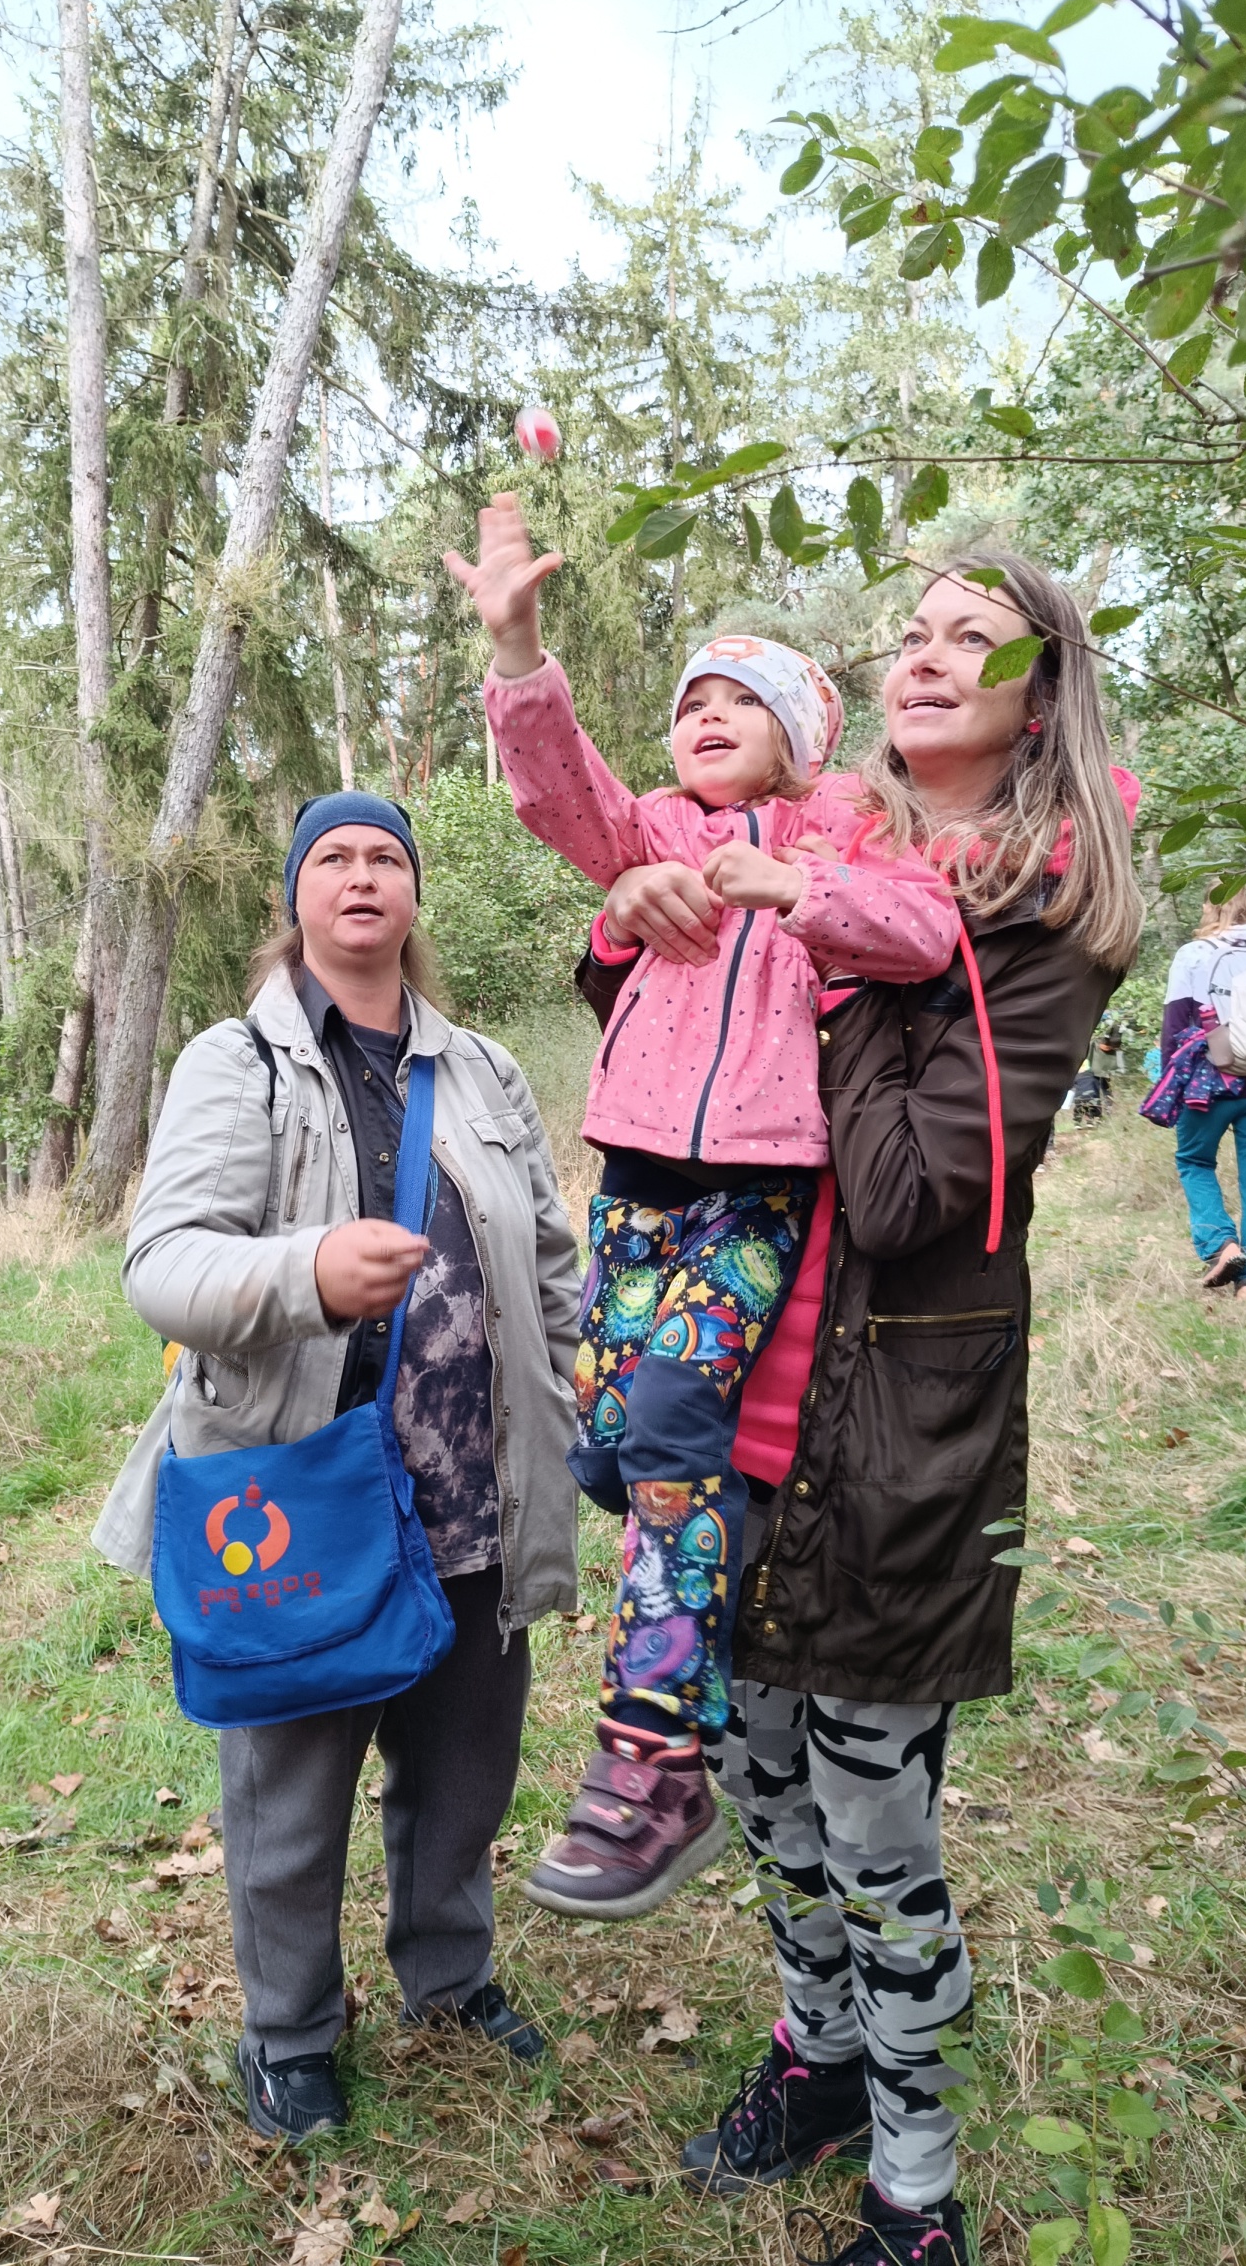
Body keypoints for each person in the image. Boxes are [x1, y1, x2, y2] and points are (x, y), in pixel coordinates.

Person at [591, 552, 1142, 2266]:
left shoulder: (1033, 914)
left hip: (898, 1422)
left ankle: (916, 2177)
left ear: (1034, 691)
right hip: (740, 1408)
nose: (920, 657)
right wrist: (655, 916)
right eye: (906, 631)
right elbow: (636, 1014)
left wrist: (804, 969)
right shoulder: (818, 839)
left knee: (873, 1814)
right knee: (755, 1778)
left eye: (964, 637)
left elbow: (921, 1187)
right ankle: (814, 2054)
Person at [444, 493, 960, 1920]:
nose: (708, 716)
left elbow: (921, 930)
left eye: (744, 699)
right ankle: (700, 1550)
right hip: (629, 1182)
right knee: (620, 1450)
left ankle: (654, 1749)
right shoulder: (648, 836)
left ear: (801, 733)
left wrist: (795, 888)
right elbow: (558, 789)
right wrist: (516, 648)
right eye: (691, 702)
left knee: (671, 1431)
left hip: (752, 1186)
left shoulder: (842, 828)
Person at [91, 793, 581, 2141]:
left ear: (413, 897)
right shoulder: (235, 1062)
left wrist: (595, 1365)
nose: (361, 877)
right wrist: (302, 1270)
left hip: (476, 1485)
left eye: (385, 859)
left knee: (465, 1766)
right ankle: (290, 2031)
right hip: (300, 1493)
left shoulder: (479, 1069)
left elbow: (545, 1256)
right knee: (292, 1789)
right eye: (333, 858)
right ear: (296, 896)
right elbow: (163, 1263)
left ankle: (447, 1974)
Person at [1157, 890, 1246, 1297]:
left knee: (1194, 1161)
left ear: (1207, 906)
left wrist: (1172, 1088)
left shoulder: (1194, 954)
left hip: (1210, 1086)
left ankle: (1222, 1244)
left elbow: (1174, 1028)